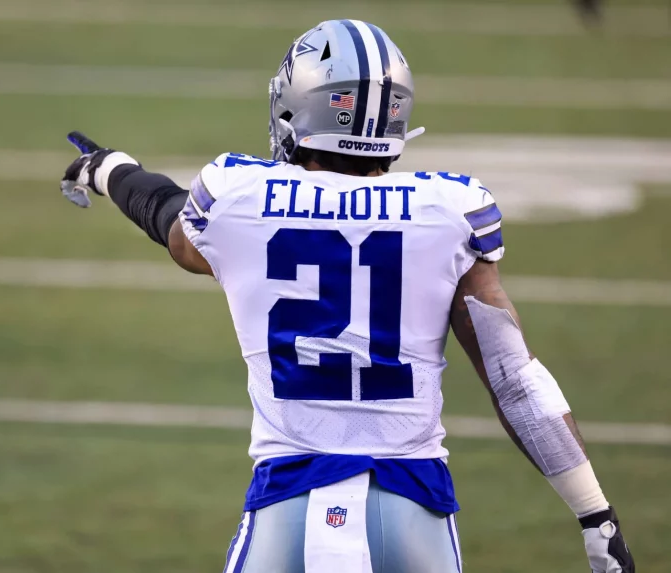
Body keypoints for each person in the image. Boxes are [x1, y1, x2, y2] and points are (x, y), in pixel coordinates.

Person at [58, 19, 635, 573]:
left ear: (298, 104)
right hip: (414, 505)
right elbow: (514, 378)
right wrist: (594, 513)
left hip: (289, 497)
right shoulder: (449, 210)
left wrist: (110, 169)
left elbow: (169, 222)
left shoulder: (238, 196)